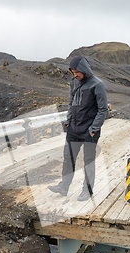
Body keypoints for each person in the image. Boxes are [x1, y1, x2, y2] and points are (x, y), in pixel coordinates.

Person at [48, 56, 108, 201]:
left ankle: (87, 190)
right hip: (73, 129)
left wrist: (93, 128)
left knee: (88, 161)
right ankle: (63, 187)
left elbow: (103, 109)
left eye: (77, 72)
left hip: (89, 131)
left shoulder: (98, 85)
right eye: (73, 72)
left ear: (84, 70)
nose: (75, 75)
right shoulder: (74, 82)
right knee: (68, 159)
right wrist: (68, 121)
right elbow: (71, 103)